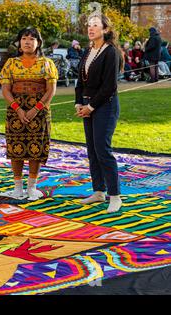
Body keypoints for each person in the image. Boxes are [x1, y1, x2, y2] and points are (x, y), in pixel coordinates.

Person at [0, 27, 58, 201]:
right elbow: (6, 89)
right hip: (16, 111)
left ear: (38, 43)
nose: (27, 42)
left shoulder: (47, 63)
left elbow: (50, 90)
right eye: (24, 38)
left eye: (32, 39)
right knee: (15, 147)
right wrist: (18, 108)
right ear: (19, 42)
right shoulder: (10, 63)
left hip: (39, 111)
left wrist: (35, 109)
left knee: (36, 148)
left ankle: (32, 187)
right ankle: (17, 188)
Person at [75, 13, 124, 213]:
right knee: (92, 150)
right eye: (89, 25)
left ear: (105, 29)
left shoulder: (110, 52)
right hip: (87, 105)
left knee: (103, 150)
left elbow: (109, 86)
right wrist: (79, 103)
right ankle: (98, 191)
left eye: (95, 25)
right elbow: (81, 80)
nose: (91, 28)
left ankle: (115, 196)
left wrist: (91, 107)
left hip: (105, 106)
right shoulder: (88, 51)